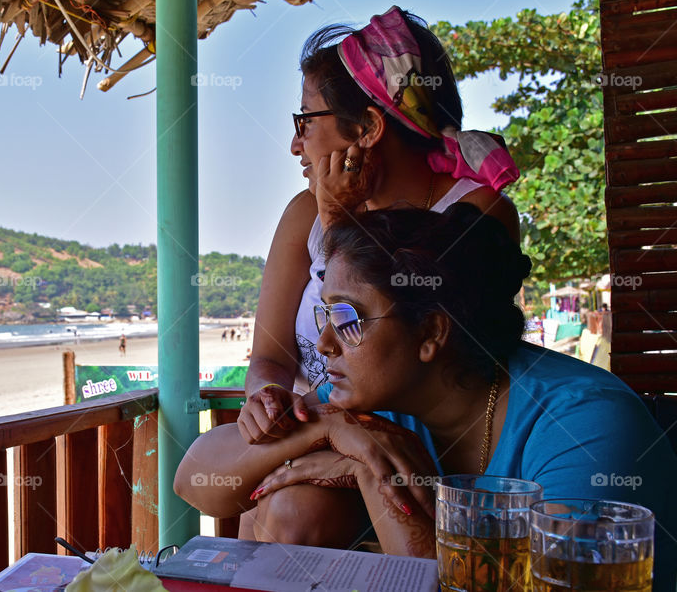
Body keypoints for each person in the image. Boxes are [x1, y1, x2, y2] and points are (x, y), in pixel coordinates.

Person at [175, 204, 677, 588]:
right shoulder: (371, 401)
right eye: (325, 316)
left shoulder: (587, 427)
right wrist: (332, 429)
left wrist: (369, 473)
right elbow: (195, 480)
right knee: (295, 507)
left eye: (348, 320)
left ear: (432, 333)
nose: (325, 342)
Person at [243, 6, 520, 454]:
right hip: (317, 433)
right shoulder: (302, 213)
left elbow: (391, 343)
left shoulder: (477, 211)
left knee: (290, 514)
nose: (296, 143)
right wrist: (264, 396)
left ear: (369, 127)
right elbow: (269, 356)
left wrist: (337, 216)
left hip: (415, 450)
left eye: (306, 120)